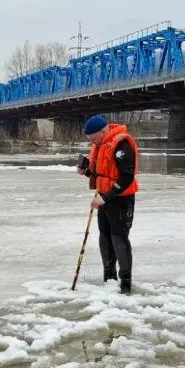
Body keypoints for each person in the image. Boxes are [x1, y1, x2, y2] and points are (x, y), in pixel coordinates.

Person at [76, 115, 140, 294]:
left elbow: (126, 178)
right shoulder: (100, 144)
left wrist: (105, 198)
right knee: (105, 237)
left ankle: (125, 284)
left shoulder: (122, 145)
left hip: (120, 199)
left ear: (104, 131)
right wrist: (87, 172)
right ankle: (109, 278)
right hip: (104, 197)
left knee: (119, 238)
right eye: (90, 140)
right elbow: (103, 174)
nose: (93, 143)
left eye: (95, 138)